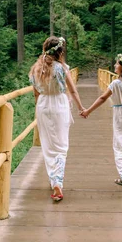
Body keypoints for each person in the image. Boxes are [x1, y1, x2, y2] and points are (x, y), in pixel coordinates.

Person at [29, 36, 85, 202]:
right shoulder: (62, 68)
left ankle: (54, 178)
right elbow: (73, 91)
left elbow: (36, 93)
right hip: (59, 104)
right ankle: (57, 182)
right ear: (60, 52)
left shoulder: (36, 69)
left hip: (43, 105)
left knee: (48, 145)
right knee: (61, 145)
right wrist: (82, 108)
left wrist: (39, 109)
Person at [80, 54, 122, 196]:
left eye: (116, 64)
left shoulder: (116, 83)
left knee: (119, 145)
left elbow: (102, 98)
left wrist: (88, 111)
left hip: (120, 114)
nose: (114, 66)